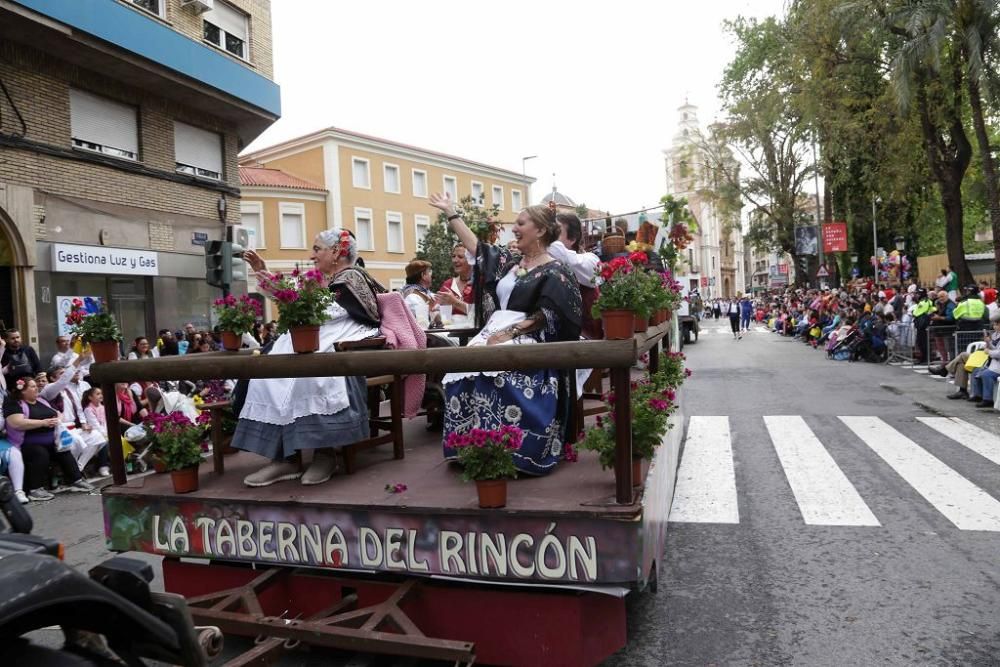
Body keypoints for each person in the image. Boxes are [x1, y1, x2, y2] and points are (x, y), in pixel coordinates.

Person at [429, 192, 582, 476]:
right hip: (494, 331)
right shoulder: (511, 263)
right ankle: (471, 448)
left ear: (539, 230)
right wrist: (451, 213)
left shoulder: (556, 271)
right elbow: (478, 249)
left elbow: (550, 315)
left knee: (497, 373)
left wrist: (509, 334)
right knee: (461, 371)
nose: (514, 228)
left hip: (528, 339)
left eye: (521, 223)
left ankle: (514, 451)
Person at [234, 228, 384, 487]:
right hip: (314, 337)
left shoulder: (353, 277)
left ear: (336, 251)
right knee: (269, 373)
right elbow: (298, 298)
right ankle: (284, 459)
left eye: (317, 249)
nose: (312, 255)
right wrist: (263, 271)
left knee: (315, 374)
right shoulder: (322, 280)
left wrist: (308, 301)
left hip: (342, 341)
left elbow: (364, 315)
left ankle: (325, 454)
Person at [4, 375, 94, 500]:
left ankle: (76, 480)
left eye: (36, 386)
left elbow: (59, 414)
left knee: (64, 452)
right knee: (40, 454)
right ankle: (35, 489)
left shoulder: (42, 400)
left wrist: (57, 420)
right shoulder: (15, 404)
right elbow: (16, 423)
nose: (37, 389)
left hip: (52, 440)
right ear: (23, 390)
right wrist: (43, 422)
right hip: (27, 443)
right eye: (33, 386)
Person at [436, 245, 475, 317]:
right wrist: (439, 310)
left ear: (471, 260)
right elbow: (437, 314)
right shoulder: (448, 284)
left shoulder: (480, 283)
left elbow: (483, 312)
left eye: (460, 257)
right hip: (452, 327)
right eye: (453, 256)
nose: (455, 260)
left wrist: (455, 302)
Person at [401, 260, 440, 326]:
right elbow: (423, 323)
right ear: (423, 275)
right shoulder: (412, 297)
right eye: (429, 272)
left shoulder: (425, 293)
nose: (431, 276)